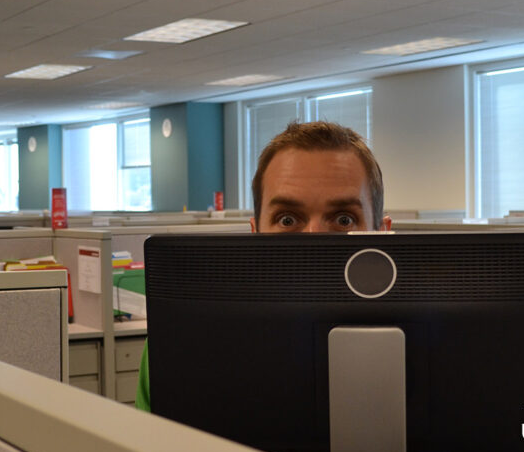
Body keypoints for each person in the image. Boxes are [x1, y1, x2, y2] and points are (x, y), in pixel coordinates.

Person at [136, 121, 390, 411]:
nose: (313, 241)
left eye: (344, 219)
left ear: (382, 233)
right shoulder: (179, 341)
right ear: (255, 233)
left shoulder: (424, 338)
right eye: (287, 219)